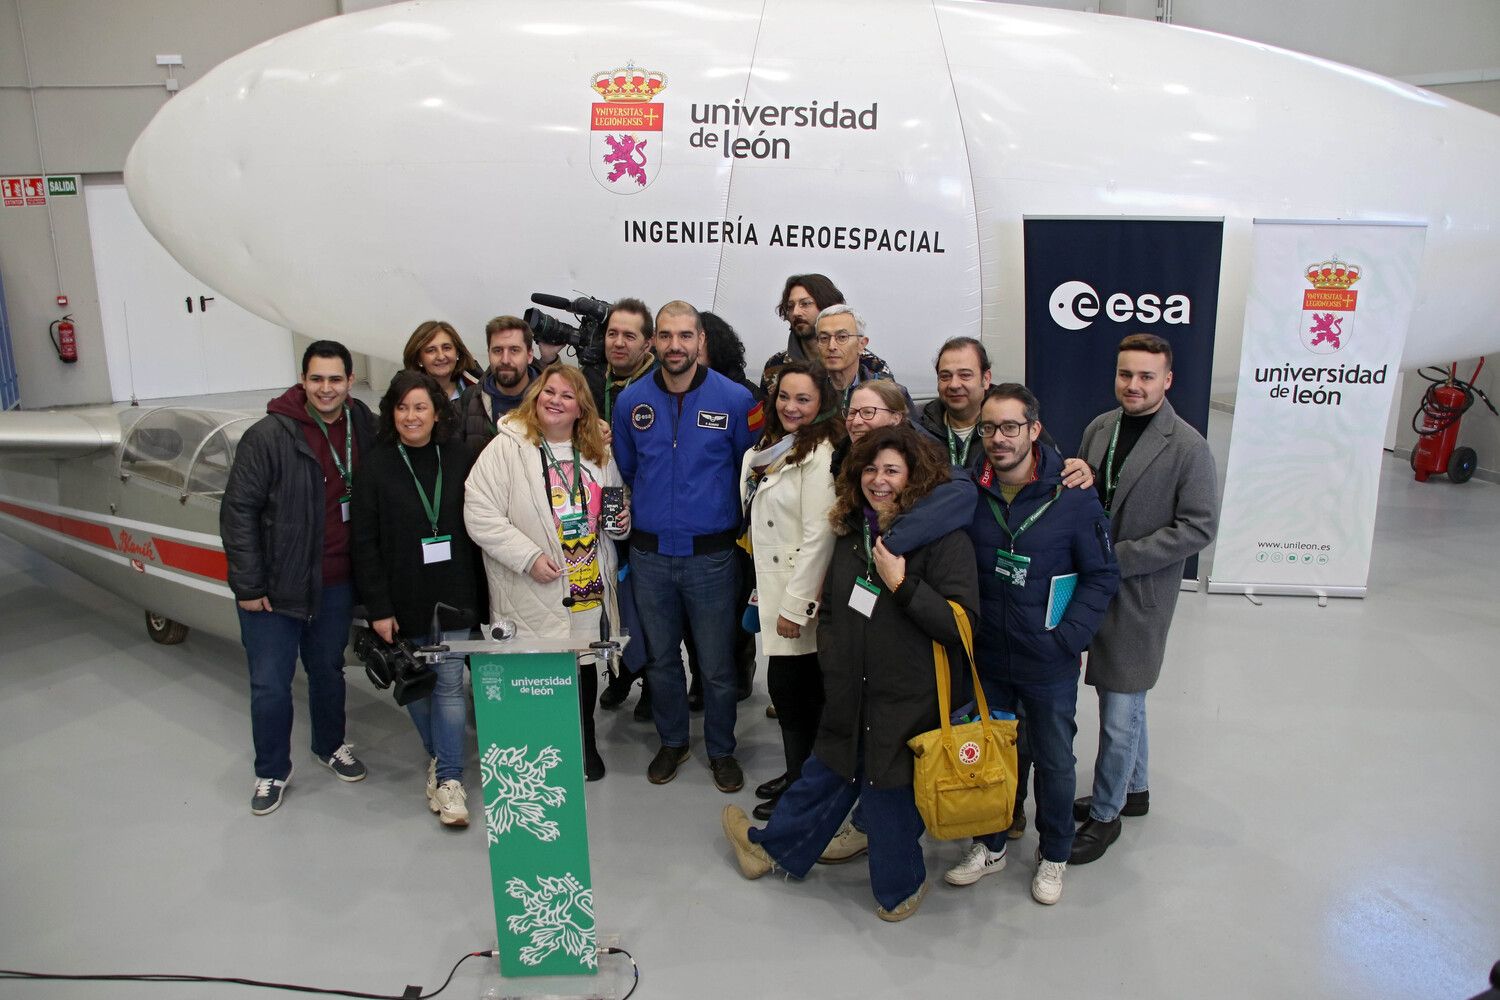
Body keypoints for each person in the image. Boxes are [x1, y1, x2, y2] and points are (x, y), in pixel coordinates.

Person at [721, 425, 979, 921]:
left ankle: (898, 890)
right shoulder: (852, 532)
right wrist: (834, 665)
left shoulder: (946, 542)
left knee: (888, 791)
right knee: (832, 766)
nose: (877, 481)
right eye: (870, 469)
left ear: (916, 478)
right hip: (850, 684)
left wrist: (901, 584)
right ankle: (770, 850)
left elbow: (961, 626)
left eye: (891, 471)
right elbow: (838, 610)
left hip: (909, 698)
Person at [943, 384, 1119, 905]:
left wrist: (1067, 638)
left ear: (1034, 430)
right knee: (994, 755)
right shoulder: (968, 489)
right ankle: (991, 843)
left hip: (1048, 659)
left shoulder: (1073, 493)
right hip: (989, 657)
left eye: (1011, 427)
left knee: (1055, 760)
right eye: (989, 428)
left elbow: (1102, 576)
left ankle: (1055, 853)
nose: (999, 439)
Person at [1070, 333, 1218, 865]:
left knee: (1119, 706)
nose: (1133, 385)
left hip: (1139, 594)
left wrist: (1121, 558)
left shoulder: (1188, 446)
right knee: (1125, 700)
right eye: (1125, 374)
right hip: (1092, 588)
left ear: (1168, 380)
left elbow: (1199, 527)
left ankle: (1106, 814)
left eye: (1146, 376)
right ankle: (1135, 790)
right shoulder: (1098, 429)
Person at [221, 340, 374, 815]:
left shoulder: (362, 424)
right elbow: (238, 512)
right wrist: (248, 586)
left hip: (335, 583)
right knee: (270, 682)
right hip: (276, 587)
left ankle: (329, 745)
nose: (325, 389)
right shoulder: (269, 435)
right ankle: (271, 770)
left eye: (335, 379)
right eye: (316, 379)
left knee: (328, 670)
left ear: (350, 381)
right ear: (302, 381)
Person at [612, 300, 758, 791]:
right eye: (666, 336)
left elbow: (750, 471)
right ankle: (673, 741)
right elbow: (628, 471)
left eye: (685, 336)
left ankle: (721, 749)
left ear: (701, 342)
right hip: (650, 556)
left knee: (716, 667)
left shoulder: (737, 401)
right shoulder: (630, 402)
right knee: (660, 661)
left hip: (712, 559)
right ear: (653, 342)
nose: (676, 346)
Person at [464, 365, 630, 781]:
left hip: (586, 577)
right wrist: (528, 556)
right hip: (531, 580)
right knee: (536, 670)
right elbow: (479, 513)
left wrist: (621, 523)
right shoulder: (507, 448)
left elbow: (613, 508)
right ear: (535, 398)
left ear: (581, 409)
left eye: (566, 396)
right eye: (548, 392)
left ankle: (585, 742)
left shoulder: (598, 452)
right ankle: (540, 751)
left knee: (584, 660)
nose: (555, 400)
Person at [351, 370, 480, 825]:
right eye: (402, 407)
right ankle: (438, 757)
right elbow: (363, 544)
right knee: (416, 687)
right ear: (391, 412)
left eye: (420, 407)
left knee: (447, 686)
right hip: (402, 599)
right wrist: (378, 609)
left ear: (437, 411)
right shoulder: (376, 466)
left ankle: (449, 779)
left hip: (456, 593)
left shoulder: (461, 457)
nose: (411, 416)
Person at [739, 361, 842, 820]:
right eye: (785, 397)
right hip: (770, 585)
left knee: (801, 693)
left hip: (799, 594)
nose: (792, 407)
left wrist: (798, 606)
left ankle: (809, 788)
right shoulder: (768, 447)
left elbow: (821, 535)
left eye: (804, 399)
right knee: (784, 689)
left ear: (821, 404)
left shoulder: (819, 453)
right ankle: (796, 772)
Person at [582, 298, 658, 718]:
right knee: (609, 598)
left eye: (629, 335)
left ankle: (650, 679)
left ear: (647, 342)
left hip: (643, 510)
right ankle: (620, 673)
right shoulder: (590, 382)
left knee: (643, 605)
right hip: (596, 506)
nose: (619, 342)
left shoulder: (657, 386)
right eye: (613, 333)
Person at [759, 274, 893, 397]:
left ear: (828, 306)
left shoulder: (872, 367)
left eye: (805, 304)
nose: (796, 312)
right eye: (790, 306)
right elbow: (768, 420)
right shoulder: (774, 366)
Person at [454, 316, 542, 448]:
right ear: (488, 353)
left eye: (514, 350)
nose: (505, 360)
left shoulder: (550, 402)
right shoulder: (469, 400)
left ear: (529, 355)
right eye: (497, 351)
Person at [813, 305, 913, 415]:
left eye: (842, 337)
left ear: (861, 344)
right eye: (824, 338)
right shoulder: (807, 393)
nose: (831, 346)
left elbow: (913, 431)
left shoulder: (892, 393)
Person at [402, 320, 481, 405]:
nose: (441, 356)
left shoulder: (483, 388)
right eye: (431, 350)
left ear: (457, 352)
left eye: (446, 348)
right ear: (418, 359)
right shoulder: (403, 395)